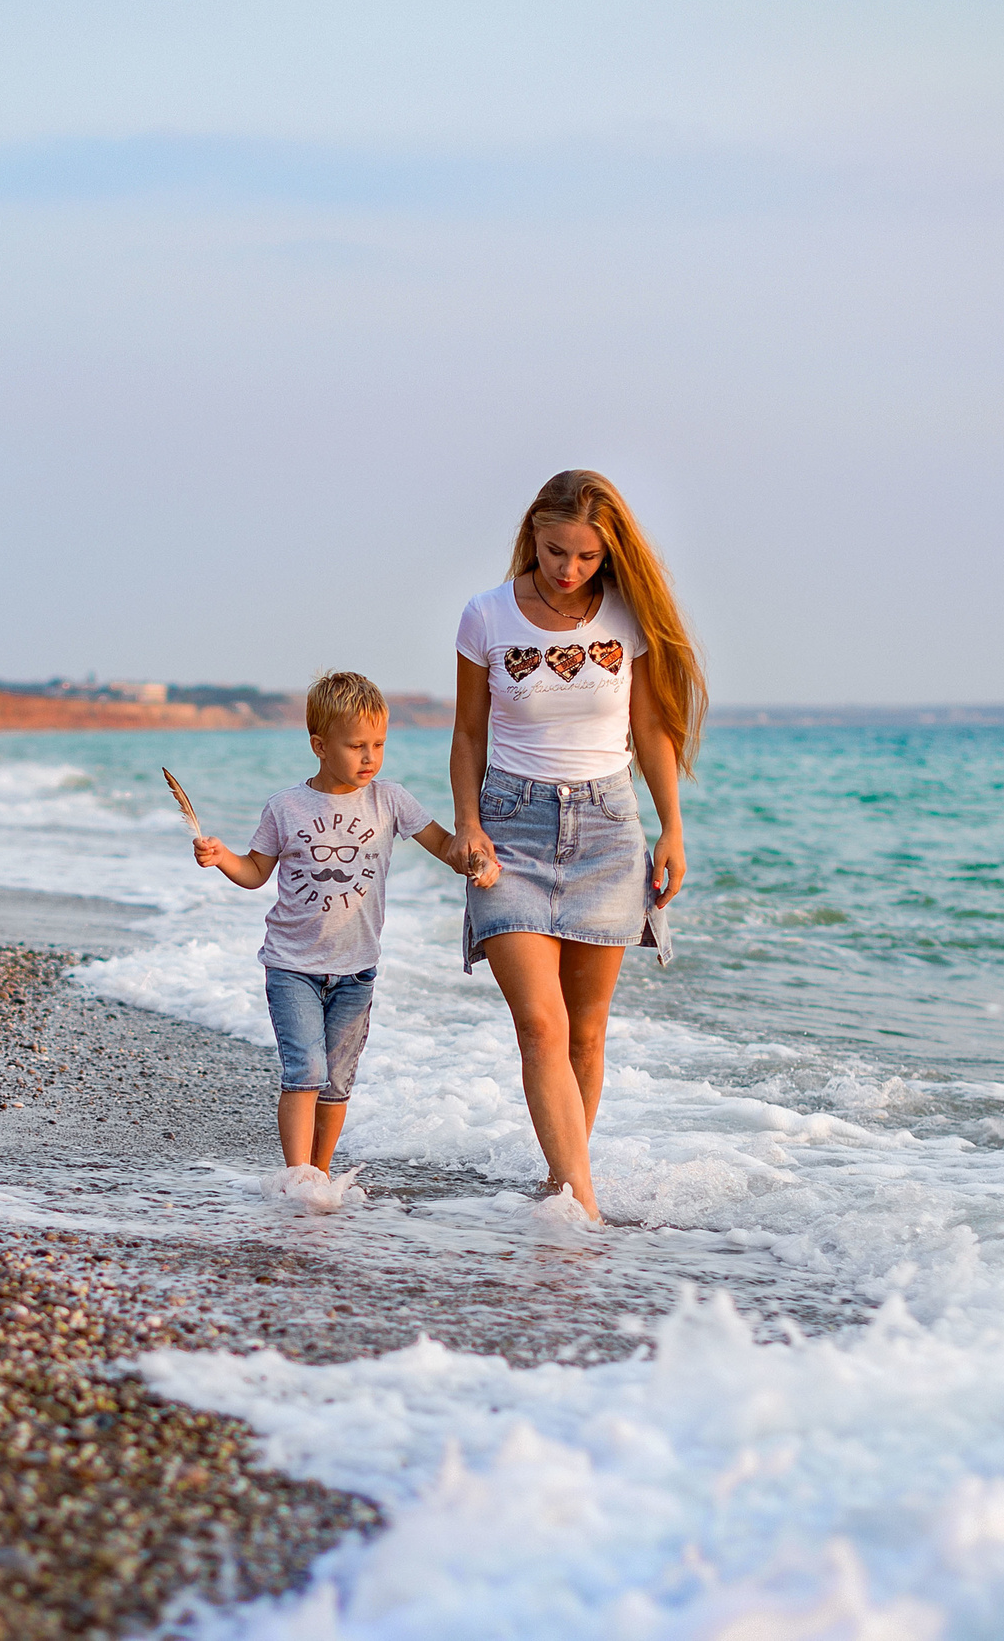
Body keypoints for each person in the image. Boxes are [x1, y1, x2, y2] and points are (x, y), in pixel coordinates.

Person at [446, 470, 706, 1222]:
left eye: (587, 557)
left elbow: (653, 731)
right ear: (532, 532)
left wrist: (673, 827)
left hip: (608, 829)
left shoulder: (627, 617)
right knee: (541, 1024)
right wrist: (468, 821)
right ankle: (580, 1202)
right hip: (511, 832)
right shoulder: (486, 616)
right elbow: (467, 733)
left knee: (587, 1032)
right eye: (557, 550)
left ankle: (562, 1186)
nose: (569, 569)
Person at [193, 670, 499, 1184]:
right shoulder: (285, 807)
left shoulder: (391, 800)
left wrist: (474, 859)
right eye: (356, 745)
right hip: (291, 966)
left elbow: (445, 847)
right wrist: (223, 856)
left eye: (378, 744)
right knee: (304, 1074)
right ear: (319, 745)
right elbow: (254, 873)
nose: (369, 757)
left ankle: (322, 1173)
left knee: (336, 1083)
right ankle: (296, 1179)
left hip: (357, 971)